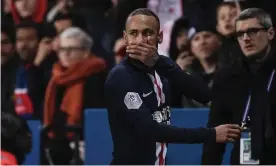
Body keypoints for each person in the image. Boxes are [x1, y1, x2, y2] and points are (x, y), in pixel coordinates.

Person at [105, 8, 241, 165]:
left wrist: (160, 62)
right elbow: (150, 130)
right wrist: (211, 134)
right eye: (134, 33)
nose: (141, 40)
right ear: (125, 38)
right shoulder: (120, 77)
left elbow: (204, 94)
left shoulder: (163, 66)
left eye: (148, 33)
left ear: (160, 37)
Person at [201, 8, 276, 165]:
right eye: (240, 34)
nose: (246, 38)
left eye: (252, 31)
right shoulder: (226, 77)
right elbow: (215, 133)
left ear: (270, 33)